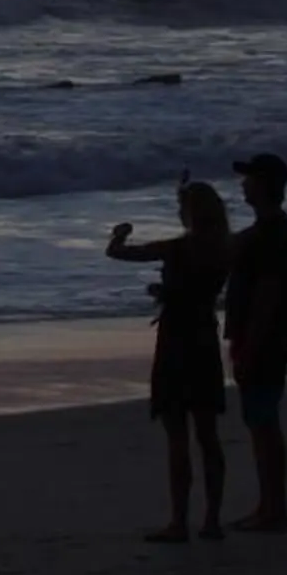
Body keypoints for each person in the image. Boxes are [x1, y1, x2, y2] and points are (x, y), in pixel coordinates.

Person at [106, 178, 233, 543]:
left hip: (176, 340)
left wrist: (119, 235)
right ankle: (212, 520)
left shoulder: (178, 248)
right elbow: (199, 291)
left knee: (177, 435)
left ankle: (179, 521)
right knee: (208, 435)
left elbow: (120, 254)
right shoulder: (224, 250)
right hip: (205, 337)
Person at [222, 152, 287, 532]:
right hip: (265, 336)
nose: (243, 185)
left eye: (249, 179)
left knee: (262, 423)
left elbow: (268, 294)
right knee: (262, 421)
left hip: (263, 337)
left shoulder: (270, 232)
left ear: (263, 185)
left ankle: (273, 508)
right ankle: (271, 504)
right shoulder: (275, 228)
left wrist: (250, 346)